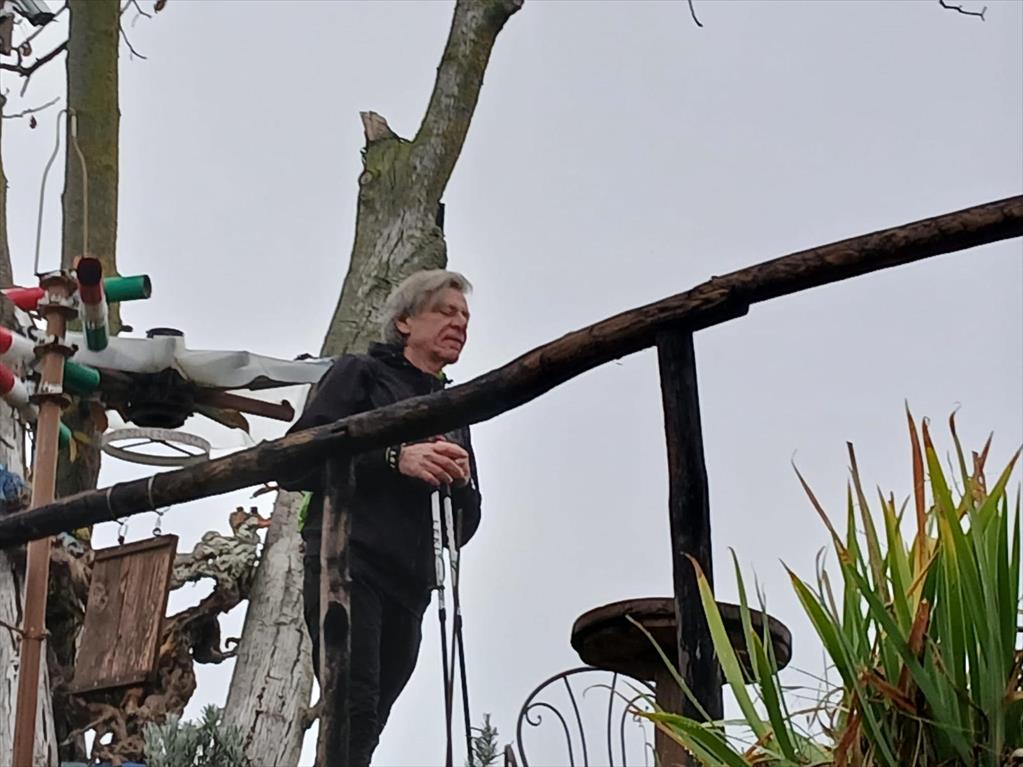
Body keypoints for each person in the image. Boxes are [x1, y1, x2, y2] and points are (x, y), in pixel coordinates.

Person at [281, 269, 481, 766]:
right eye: (445, 311)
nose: (459, 323)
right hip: (349, 563)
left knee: (369, 721)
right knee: (354, 705)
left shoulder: (454, 408)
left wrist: (460, 486)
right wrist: (395, 458)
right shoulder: (361, 374)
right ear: (404, 322)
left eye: (465, 316)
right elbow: (294, 461)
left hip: (411, 586)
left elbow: (462, 529)